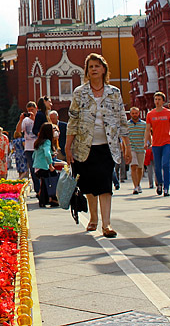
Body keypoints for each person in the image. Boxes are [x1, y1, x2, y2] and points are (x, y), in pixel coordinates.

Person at [64, 53, 130, 238]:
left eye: (97, 66)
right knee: (89, 186)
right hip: (84, 147)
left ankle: (106, 224)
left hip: (107, 146)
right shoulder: (80, 93)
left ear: (103, 69)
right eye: (90, 66)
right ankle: (93, 218)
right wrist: (68, 147)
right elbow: (73, 121)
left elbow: (122, 120)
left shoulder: (114, 93)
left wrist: (127, 146)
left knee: (105, 185)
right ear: (87, 71)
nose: (94, 69)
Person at [144, 92, 170, 197]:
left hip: (167, 142)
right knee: (157, 166)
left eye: (159, 99)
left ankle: (166, 188)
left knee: (166, 164)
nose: (157, 101)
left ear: (163, 101)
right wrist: (146, 142)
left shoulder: (169, 113)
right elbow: (147, 130)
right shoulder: (150, 114)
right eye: (155, 99)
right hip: (156, 143)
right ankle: (159, 184)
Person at [34, 122, 58, 207]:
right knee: (54, 178)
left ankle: (44, 199)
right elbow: (47, 154)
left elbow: (34, 155)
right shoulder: (47, 142)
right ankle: (53, 198)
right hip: (44, 166)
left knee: (44, 182)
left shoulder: (38, 141)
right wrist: (50, 165)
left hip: (37, 167)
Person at [16, 103, 39, 192]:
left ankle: (41, 189)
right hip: (29, 148)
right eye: (28, 110)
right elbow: (18, 131)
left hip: (38, 147)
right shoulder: (25, 120)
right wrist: (20, 120)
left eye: (32, 110)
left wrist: (34, 119)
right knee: (33, 170)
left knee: (39, 169)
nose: (30, 112)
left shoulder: (39, 118)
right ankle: (37, 189)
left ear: (36, 108)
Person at [126, 107, 146, 194]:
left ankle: (138, 184)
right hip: (132, 148)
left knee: (140, 168)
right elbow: (125, 137)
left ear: (139, 114)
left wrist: (147, 143)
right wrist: (126, 149)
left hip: (141, 148)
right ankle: (135, 187)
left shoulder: (144, 124)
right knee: (133, 166)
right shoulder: (127, 125)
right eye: (133, 113)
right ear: (130, 114)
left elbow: (147, 135)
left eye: (136, 113)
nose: (134, 115)